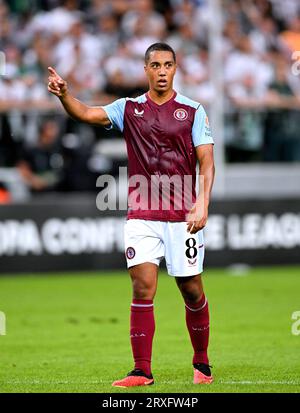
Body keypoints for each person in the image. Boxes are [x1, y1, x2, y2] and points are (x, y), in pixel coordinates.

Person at [47, 42, 215, 387]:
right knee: (143, 287)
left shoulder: (193, 110)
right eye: (156, 65)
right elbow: (86, 113)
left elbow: (206, 161)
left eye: (168, 64)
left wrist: (203, 202)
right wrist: (65, 95)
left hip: (183, 215)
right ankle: (142, 370)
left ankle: (202, 362)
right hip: (142, 214)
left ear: (176, 68)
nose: (162, 71)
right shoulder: (129, 108)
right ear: (146, 70)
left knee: (191, 289)